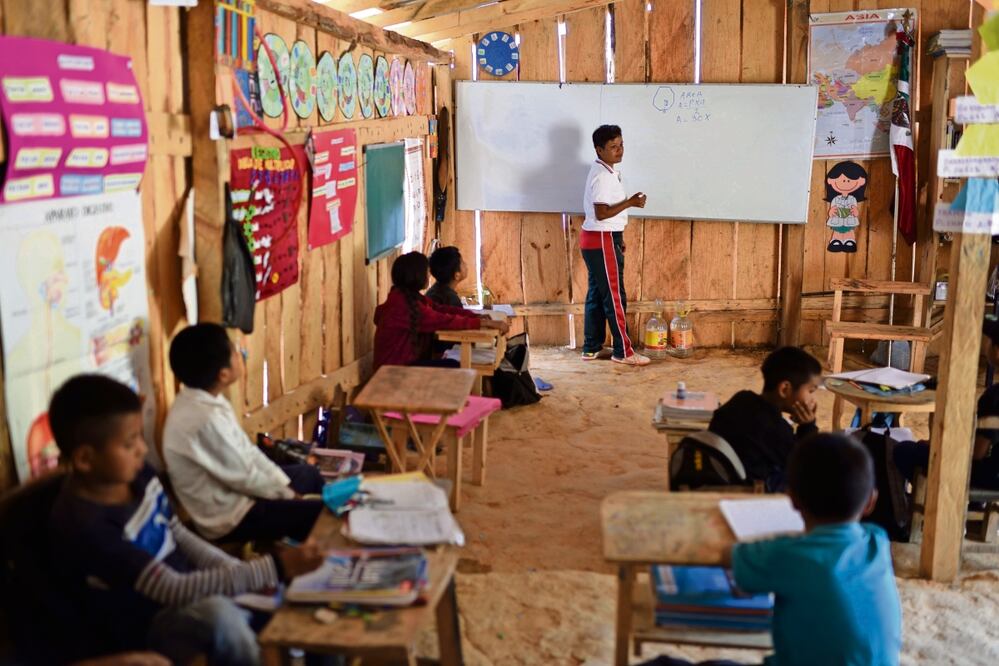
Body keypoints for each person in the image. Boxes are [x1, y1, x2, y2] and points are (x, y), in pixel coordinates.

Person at [46, 374, 323, 666]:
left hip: (189, 589)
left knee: (302, 603)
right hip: (149, 623)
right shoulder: (87, 525)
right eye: (129, 443)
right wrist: (274, 567)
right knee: (220, 616)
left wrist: (238, 570)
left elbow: (176, 532)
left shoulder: (136, 475)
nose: (142, 449)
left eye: (140, 436)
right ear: (85, 459)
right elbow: (172, 588)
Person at [642, 433, 902, 666]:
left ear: (792, 499)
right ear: (870, 501)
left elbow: (729, 555)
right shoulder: (877, 542)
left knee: (665, 664)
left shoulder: (790, 555)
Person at [163, 323, 325, 543]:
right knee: (318, 513)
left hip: (240, 494)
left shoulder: (207, 399)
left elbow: (247, 452)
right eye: (235, 352)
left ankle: (302, 539)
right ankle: (300, 563)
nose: (241, 355)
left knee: (309, 475)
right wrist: (291, 496)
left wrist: (283, 484)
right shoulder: (203, 420)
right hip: (230, 517)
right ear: (223, 374)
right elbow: (246, 477)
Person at [893, 317, 999, 489]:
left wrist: (941, 448)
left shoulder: (994, 396)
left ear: (997, 351)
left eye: (989, 342)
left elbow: (977, 453)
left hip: (985, 476)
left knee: (903, 450)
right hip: (992, 473)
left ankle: (931, 499)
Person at [580, 124, 649, 366]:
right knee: (614, 296)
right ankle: (624, 351)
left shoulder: (604, 171)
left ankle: (591, 347)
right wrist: (630, 202)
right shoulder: (602, 176)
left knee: (598, 294)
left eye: (621, 145)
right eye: (612, 147)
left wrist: (617, 237)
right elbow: (601, 213)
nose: (619, 150)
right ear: (599, 150)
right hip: (601, 237)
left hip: (600, 238)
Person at [709, 346, 821, 491]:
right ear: (784, 389)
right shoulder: (773, 428)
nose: (812, 398)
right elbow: (805, 466)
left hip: (721, 474)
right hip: (748, 493)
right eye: (810, 391)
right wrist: (808, 427)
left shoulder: (742, 399)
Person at [374, 251, 508, 370]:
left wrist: (476, 316)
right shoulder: (403, 306)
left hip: (399, 366)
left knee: (452, 364)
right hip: (393, 373)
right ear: (417, 276)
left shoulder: (407, 297)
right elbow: (444, 320)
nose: (428, 276)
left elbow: (440, 309)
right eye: (426, 272)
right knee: (454, 367)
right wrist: (484, 323)